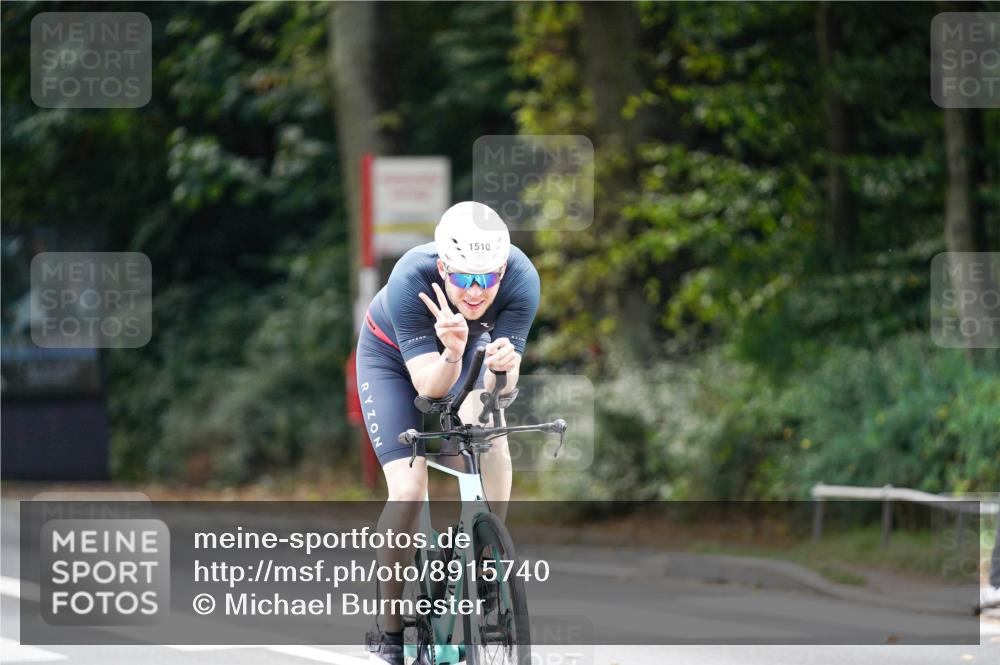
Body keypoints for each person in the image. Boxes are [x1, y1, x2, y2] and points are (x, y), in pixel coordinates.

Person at [356, 201, 540, 664]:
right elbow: (427, 389)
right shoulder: (410, 279)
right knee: (410, 487)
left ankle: (488, 552)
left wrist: (503, 371)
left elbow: (503, 389)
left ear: (503, 267)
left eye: (488, 278)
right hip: (396, 363)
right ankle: (391, 631)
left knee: (491, 431)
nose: (477, 291)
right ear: (443, 268)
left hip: (468, 351)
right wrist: (454, 353)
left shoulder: (521, 278)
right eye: (463, 278)